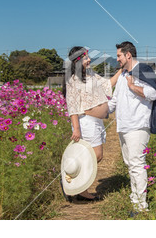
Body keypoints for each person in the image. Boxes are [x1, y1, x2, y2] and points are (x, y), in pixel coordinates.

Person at [108, 41, 156, 213]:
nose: (117, 59)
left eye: (119, 55)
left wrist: (133, 86)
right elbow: (115, 100)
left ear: (128, 55)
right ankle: (135, 200)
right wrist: (98, 111)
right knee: (130, 164)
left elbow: (153, 93)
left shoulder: (143, 70)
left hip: (138, 126)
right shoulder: (123, 74)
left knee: (137, 164)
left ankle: (141, 207)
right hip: (124, 126)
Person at [62, 46, 121, 201]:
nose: (89, 60)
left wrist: (122, 69)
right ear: (77, 61)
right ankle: (75, 182)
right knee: (96, 155)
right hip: (84, 122)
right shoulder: (72, 80)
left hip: (95, 122)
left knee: (93, 156)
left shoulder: (90, 74)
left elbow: (108, 84)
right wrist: (76, 129)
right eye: (85, 58)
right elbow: (73, 107)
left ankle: (77, 185)